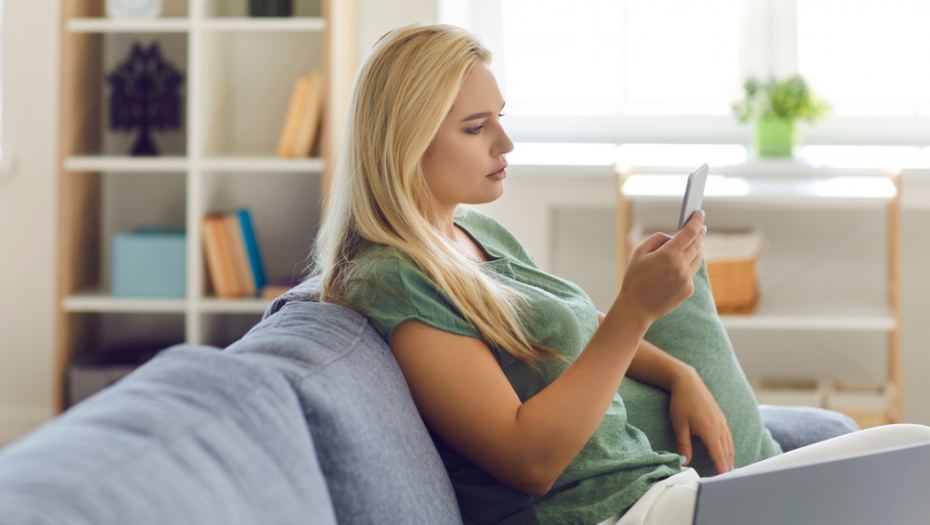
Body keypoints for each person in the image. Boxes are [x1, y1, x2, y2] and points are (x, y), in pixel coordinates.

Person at [307, 22, 930, 525]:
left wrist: (679, 372)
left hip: (661, 487)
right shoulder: (394, 281)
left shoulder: (475, 234)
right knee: (907, 469)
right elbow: (530, 461)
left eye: (500, 116)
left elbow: (584, 325)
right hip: (612, 513)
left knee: (907, 448)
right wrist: (638, 311)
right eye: (477, 128)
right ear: (404, 143)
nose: (506, 143)